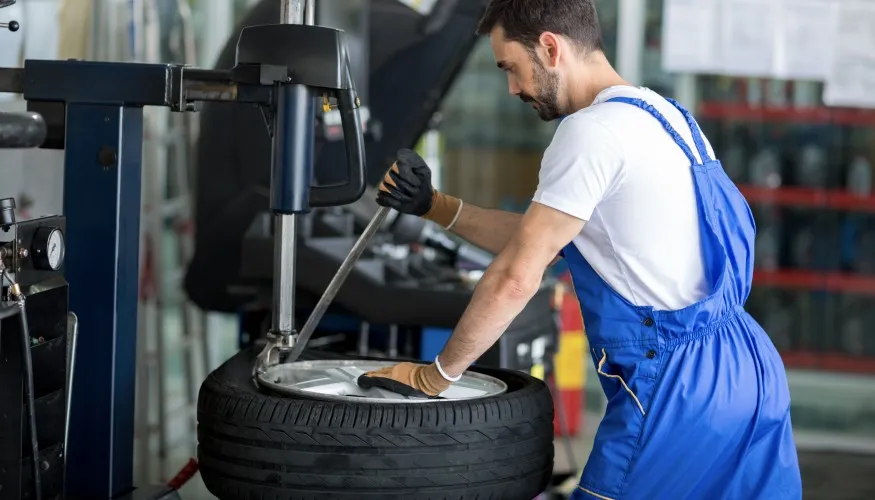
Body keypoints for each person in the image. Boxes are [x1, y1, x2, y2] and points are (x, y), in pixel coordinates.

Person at [357, 0, 803, 498]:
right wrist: (434, 206)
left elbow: (516, 276)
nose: (512, 88)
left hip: (676, 390)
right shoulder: (666, 116)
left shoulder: (590, 132)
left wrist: (435, 376)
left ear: (550, 47)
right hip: (750, 369)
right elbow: (543, 239)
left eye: (511, 67)